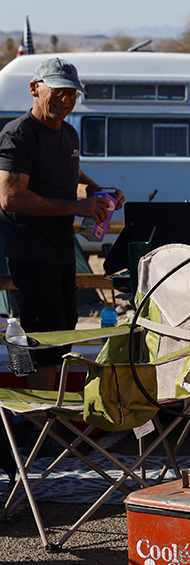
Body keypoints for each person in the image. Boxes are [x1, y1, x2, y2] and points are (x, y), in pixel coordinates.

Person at [0, 57, 125, 390]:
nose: (66, 100)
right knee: (45, 342)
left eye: (72, 93)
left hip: (62, 252)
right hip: (32, 252)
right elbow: (11, 197)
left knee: (65, 332)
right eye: (58, 91)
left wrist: (98, 192)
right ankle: (41, 427)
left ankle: (50, 422)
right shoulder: (19, 134)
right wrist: (77, 205)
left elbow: (74, 176)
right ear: (34, 88)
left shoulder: (68, 134)